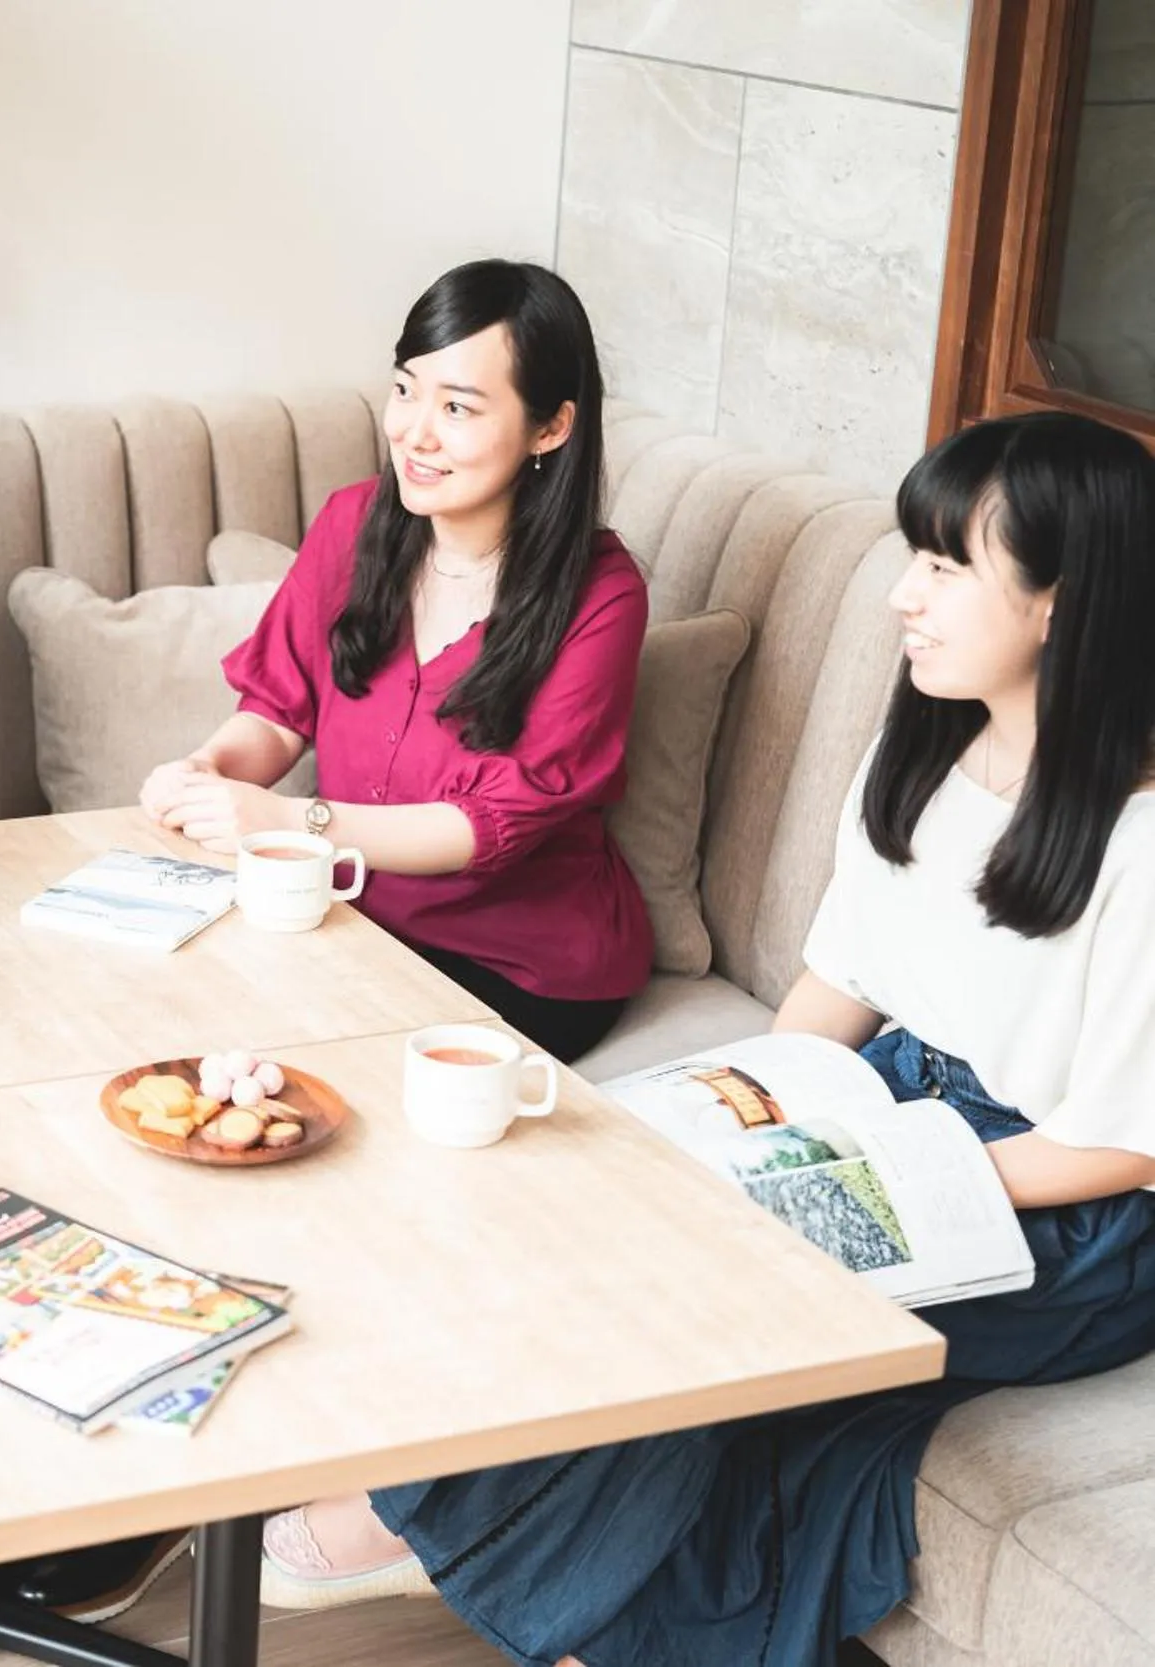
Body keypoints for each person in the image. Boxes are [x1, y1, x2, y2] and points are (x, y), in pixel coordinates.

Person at [261, 412, 1155, 1667]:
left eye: (947, 566)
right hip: (898, 1106)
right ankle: (499, 1555)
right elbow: (834, 992)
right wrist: (746, 1108)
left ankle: (435, 1524)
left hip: (1064, 1212)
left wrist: (853, 1172)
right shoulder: (925, 758)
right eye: (912, 556)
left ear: (1066, 600)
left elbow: (1115, 1151)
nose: (905, 596)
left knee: (704, 1295)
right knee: (585, 1180)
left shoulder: (1141, 841)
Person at [141, 259, 648, 1062]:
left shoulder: (601, 595)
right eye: (407, 389)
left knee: (296, 1073)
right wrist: (207, 771)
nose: (414, 430)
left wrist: (288, 820)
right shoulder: (352, 524)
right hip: (351, 919)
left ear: (551, 427)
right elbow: (278, 710)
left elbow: (492, 825)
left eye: (458, 408)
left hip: (519, 962)